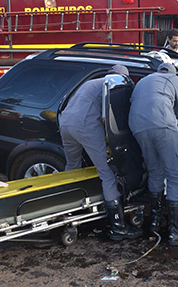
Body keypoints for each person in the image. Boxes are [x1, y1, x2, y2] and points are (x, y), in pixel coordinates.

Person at [59, 64, 142, 241]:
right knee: (106, 173)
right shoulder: (112, 84)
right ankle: (118, 227)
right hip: (85, 126)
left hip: (65, 123)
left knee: (72, 166)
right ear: (122, 77)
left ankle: (69, 213)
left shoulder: (91, 82)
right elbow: (107, 117)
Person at [129, 62, 178, 245]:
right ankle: (176, 231)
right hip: (163, 126)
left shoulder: (143, 81)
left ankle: (155, 223)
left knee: (155, 170)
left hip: (137, 128)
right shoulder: (174, 79)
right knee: (174, 174)